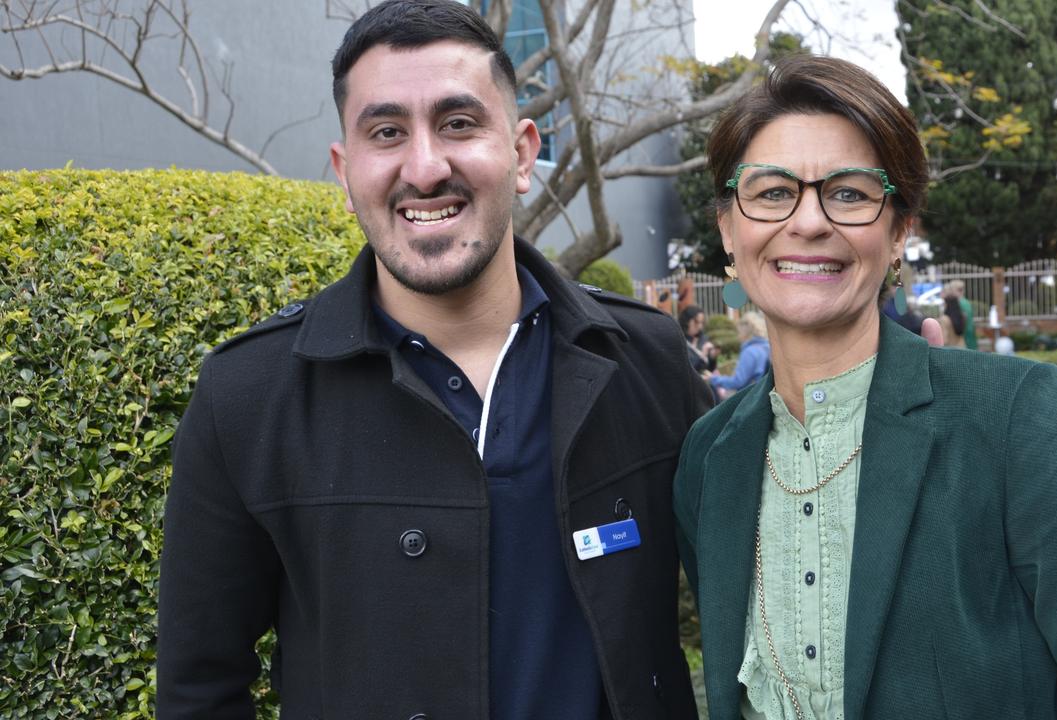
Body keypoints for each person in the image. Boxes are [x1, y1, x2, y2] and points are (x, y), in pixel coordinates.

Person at [157, 2, 710, 717]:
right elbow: (200, 689)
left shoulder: (645, 361)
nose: (424, 167)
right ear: (345, 168)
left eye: (458, 124)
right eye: (386, 133)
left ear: (520, 153)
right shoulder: (247, 397)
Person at [672, 54, 1057, 719]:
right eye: (772, 191)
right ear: (728, 226)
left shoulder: (1018, 421)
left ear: (899, 231)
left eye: (849, 192)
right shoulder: (708, 457)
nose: (808, 222)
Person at [710, 311, 771, 399]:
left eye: (738, 332)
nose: (738, 336)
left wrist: (714, 379)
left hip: (750, 399)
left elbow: (738, 381)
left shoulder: (750, 352)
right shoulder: (767, 347)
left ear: (745, 331)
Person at [679, 304, 720, 375]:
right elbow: (687, 372)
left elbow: (710, 369)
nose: (700, 326)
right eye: (696, 322)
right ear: (687, 321)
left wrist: (713, 358)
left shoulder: (704, 338)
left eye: (702, 322)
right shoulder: (680, 341)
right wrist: (702, 356)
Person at [947, 279, 978, 349]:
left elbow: (964, 318)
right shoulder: (966, 302)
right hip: (970, 332)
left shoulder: (959, 303)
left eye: (951, 289)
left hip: (964, 335)